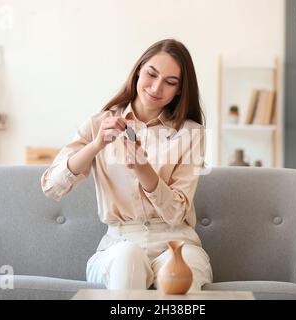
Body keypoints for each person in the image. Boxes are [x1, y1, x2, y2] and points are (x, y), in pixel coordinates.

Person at [41, 39, 213, 291]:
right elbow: (51, 187)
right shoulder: (99, 122)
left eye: (170, 82)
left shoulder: (191, 133)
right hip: (119, 244)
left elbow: (176, 214)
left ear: (179, 90)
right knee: (128, 257)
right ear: (137, 72)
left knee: (179, 273)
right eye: (151, 74)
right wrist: (96, 145)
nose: (156, 87)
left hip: (176, 242)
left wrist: (143, 170)